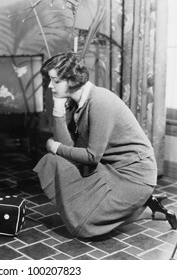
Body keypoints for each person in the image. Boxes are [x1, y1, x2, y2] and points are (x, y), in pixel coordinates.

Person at [34, 52, 177, 239]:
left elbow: (91, 156)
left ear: (72, 80)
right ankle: (132, 207)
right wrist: (58, 111)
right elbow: (67, 150)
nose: (51, 86)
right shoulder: (76, 102)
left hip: (135, 176)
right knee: (52, 161)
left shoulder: (100, 101)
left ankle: (147, 210)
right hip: (109, 169)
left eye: (55, 81)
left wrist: (56, 146)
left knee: (83, 226)